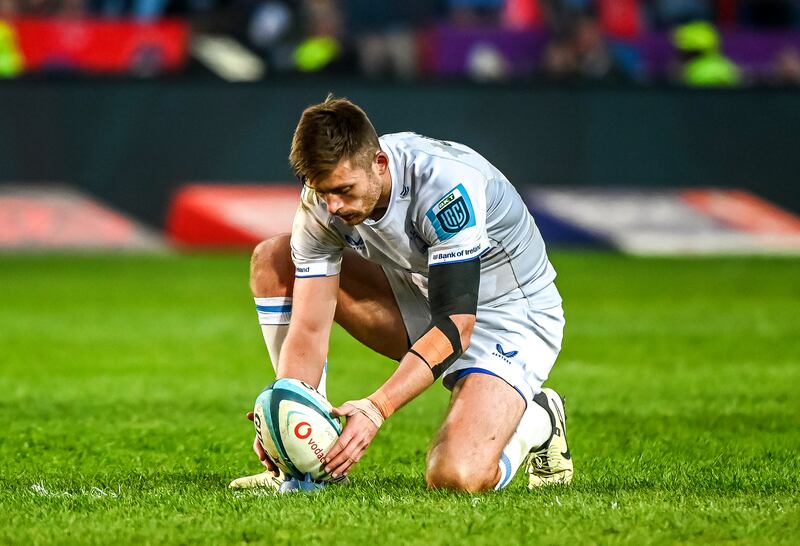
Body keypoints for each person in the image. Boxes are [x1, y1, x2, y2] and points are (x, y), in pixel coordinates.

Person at [229, 95, 572, 493]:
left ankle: (540, 418)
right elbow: (308, 328)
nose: (333, 206)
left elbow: (456, 326)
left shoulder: (444, 185)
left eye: (343, 190)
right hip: (422, 292)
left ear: (379, 163)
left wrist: (376, 408)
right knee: (275, 260)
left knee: (455, 477)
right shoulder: (322, 204)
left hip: (508, 315)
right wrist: (286, 418)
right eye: (323, 192)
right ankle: (311, 469)